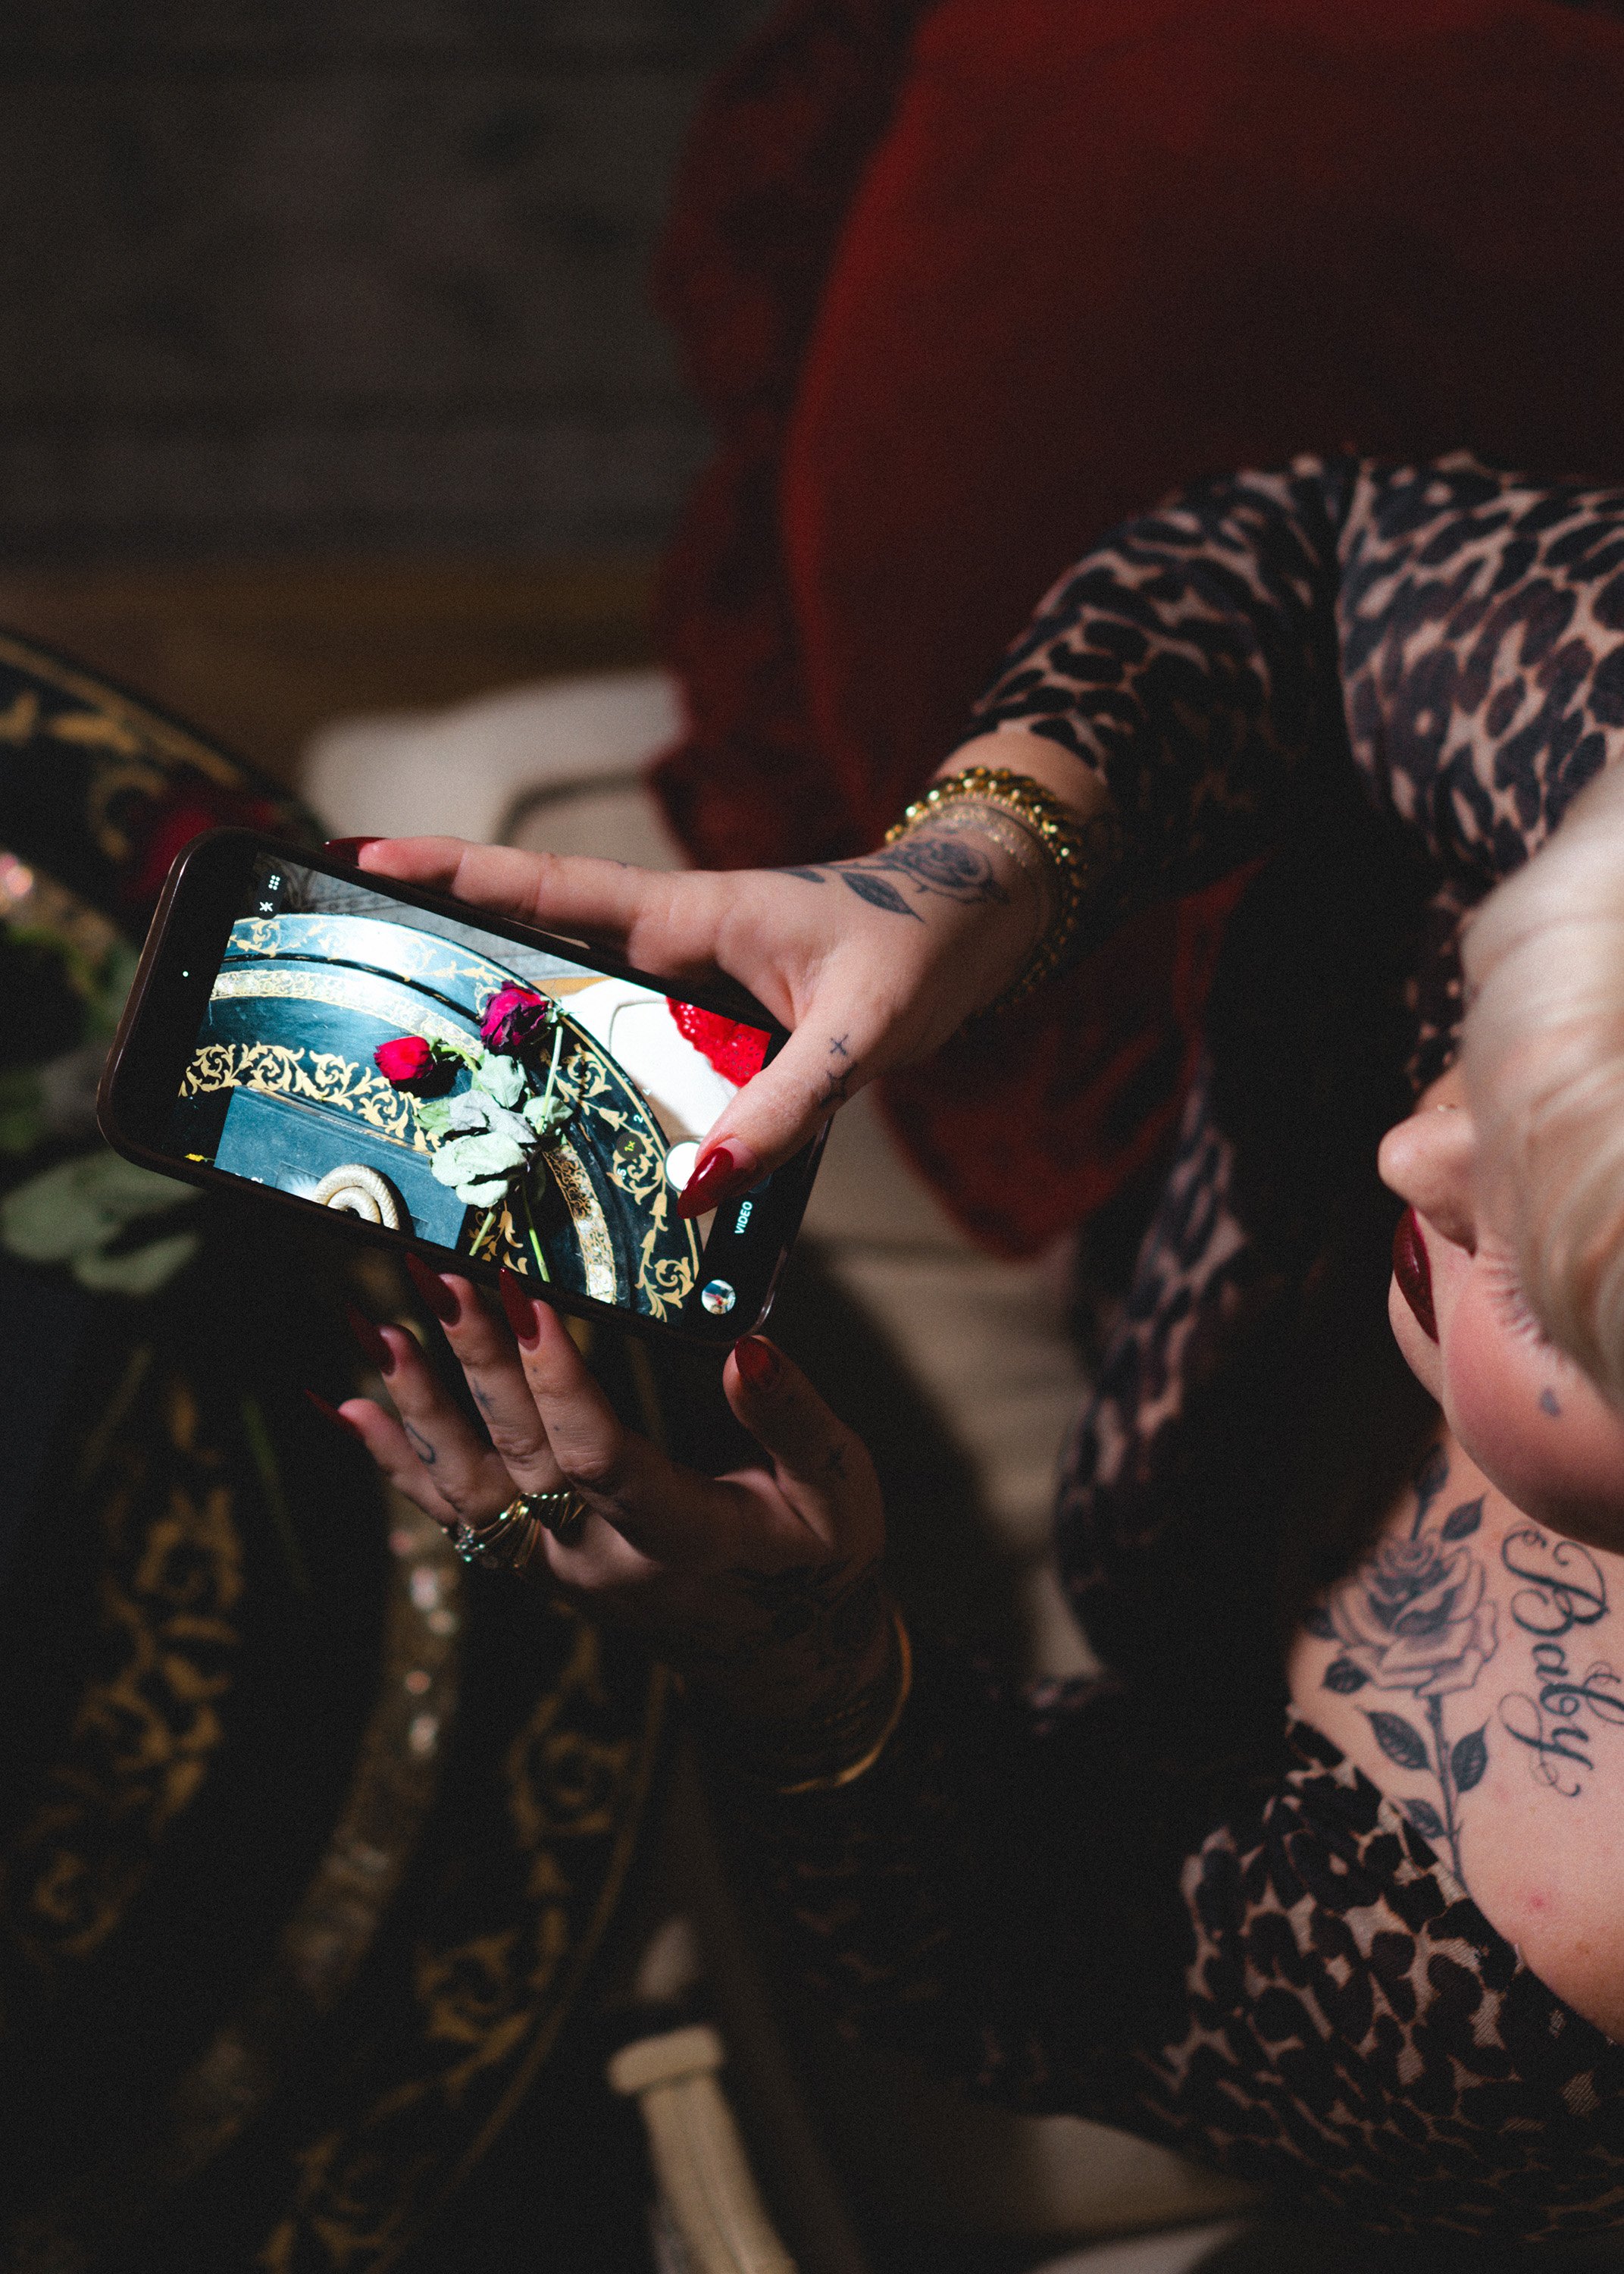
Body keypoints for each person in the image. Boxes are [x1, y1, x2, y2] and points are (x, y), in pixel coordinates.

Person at [330, 455, 1624, 2244]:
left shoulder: (1537, 1978)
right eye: (1520, 1007)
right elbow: (1314, 561)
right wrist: (986, 860)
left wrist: (812, 1672)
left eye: (1558, 1278)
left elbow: (1029, 1964)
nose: (1416, 1154)